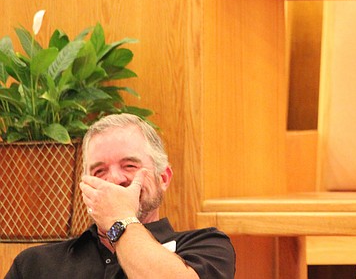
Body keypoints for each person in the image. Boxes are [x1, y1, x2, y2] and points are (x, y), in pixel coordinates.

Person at [5, 114, 235, 279]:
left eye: (129, 165)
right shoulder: (34, 264)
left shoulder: (206, 247)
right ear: (85, 186)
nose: (114, 179)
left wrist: (120, 220)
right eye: (99, 171)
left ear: (163, 178)